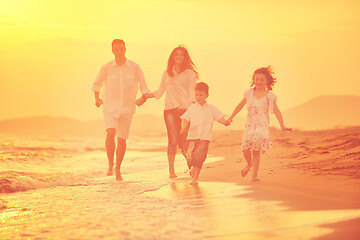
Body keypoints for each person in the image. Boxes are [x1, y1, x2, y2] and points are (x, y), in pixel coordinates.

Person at [92, 39, 150, 181]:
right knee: (110, 132)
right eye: (116, 49)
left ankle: (118, 168)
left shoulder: (135, 67)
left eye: (121, 49)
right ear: (112, 51)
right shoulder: (105, 68)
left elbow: (144, 86)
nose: (119, 52)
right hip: (110, 106)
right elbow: (97, 84)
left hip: (127, 108)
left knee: (122, 139)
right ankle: (110, 164)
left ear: (125, 49)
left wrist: (143, 98)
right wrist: (97, 98)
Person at [225, 66, 292, 181]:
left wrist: (282, 125)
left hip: (262, 126)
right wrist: (231, 117)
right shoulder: (249, 93)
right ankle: (249, 164)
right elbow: (240, 105)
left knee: (256, 150)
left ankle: (254, 175)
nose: (259, 82)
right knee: (245, 148)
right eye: (256, 79)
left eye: (262, 79)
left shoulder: (269, 96)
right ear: (253, 80)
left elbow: (276, 110)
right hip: (250, 125)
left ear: (267, 81)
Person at [142, 45, 198, 178]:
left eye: (181, 55)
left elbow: (192, 92)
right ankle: (171, 171)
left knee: (184, 141)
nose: (179, 57)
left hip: (185, 110)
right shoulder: (167, 73)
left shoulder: (190, 73)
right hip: (169, 110)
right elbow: (160, 91)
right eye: (176, 54)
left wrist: (190, 109)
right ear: (173, 57)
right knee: (172, 140)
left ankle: (191, 167)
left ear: (185, 58)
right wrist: (144, 96)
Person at [180, 82, 229, 185]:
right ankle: (192, 168)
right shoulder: (192, 108)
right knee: (190, 156)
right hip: (192, 136)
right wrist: (184, 128)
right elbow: (185, 118)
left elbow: (219, 117)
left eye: (201, 95)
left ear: (206, 95)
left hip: (204, 137)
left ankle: (195, 178)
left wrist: (225, 122)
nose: (198, 97)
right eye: (196, 94)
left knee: (199, 157)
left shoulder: (211, 108)